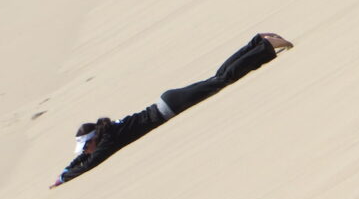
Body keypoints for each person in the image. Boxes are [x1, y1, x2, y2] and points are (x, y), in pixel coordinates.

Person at [49, 32, 293, 188]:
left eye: (86, 146)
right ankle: (256, 43)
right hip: (168, 102)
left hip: (171, 106)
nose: (86, 151)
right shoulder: (106, 134)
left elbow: (93, 162)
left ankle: (264, 46)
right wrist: (66, 170)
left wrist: (65, 178)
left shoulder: (108, 140)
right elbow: (86, 157)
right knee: (217, 78)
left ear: (93, 140)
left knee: (222, 80)